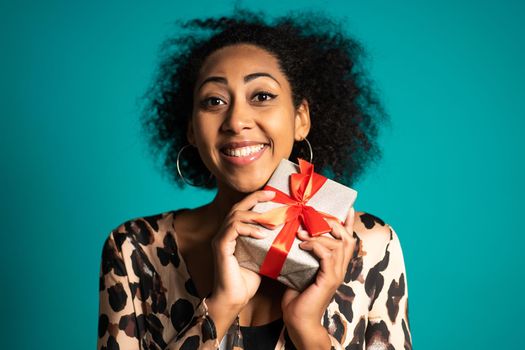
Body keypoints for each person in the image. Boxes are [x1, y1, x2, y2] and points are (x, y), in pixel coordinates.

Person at [97, 8, 412, 350]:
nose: (236, 120)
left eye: (261, 96)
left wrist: (307, 328)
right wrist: (221, 306)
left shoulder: (369, 247)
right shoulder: (137, 248)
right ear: (190, 128)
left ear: (300, 119)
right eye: (214, 101)